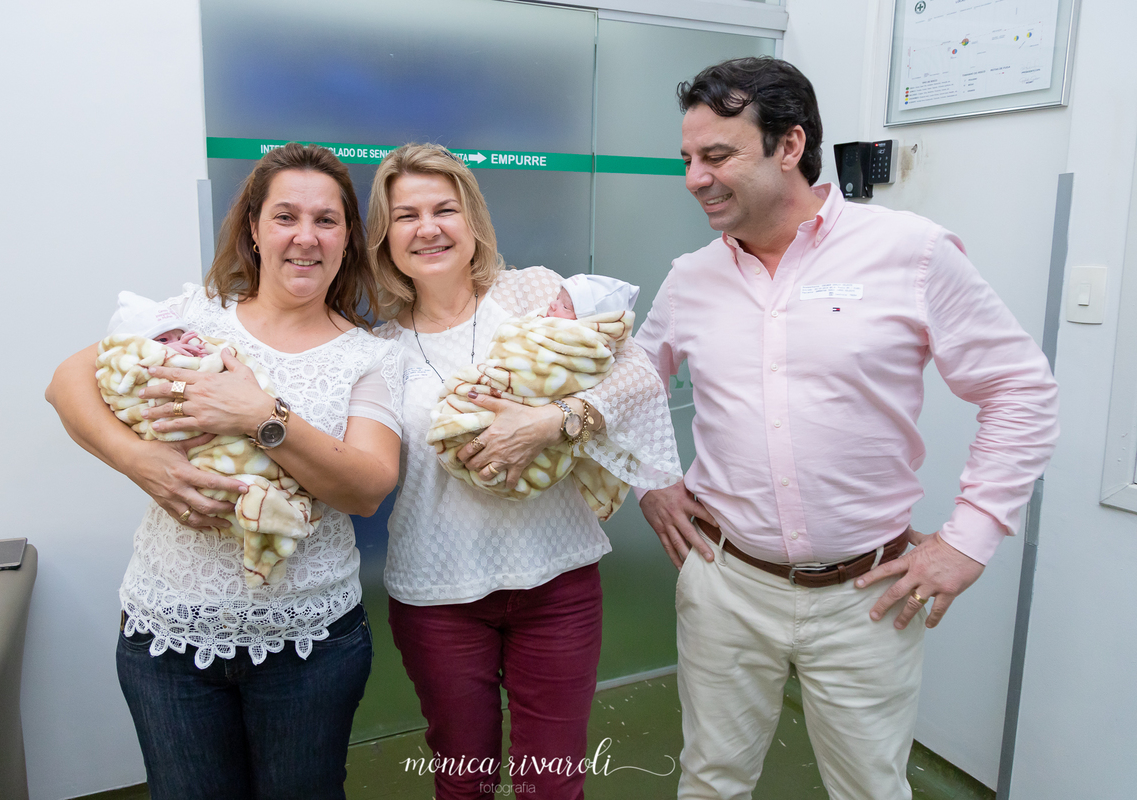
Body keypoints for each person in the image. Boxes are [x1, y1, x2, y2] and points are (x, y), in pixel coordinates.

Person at [633, 57, 1059, 800]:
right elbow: (632, 387)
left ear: (790, 145)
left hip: (868, 595)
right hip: (726, 584)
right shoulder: (691, 277)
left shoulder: (911, 251)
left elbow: (1019, 388)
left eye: (718, 156)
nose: (696, 178)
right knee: (711, 781)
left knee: (870, 788)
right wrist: (652, 480)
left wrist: (969, 538)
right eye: (688, 159)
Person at [45, 142, 402, 800]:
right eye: (285, 216)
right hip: (167, 642)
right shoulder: (192, 316)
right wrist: (140, 461)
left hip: (310, 646)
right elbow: (68, 381)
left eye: (326, 220)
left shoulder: (370, 355)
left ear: (348, 238)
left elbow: (368, 487)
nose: (305, 236)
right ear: (254, 229)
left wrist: (261, 414)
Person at [367, 143, 681, 800]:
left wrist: (552, 421)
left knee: (553, 784)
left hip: (557, 585)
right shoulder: (376, 349)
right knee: (463, 782)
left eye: (444, 209)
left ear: (472, 220)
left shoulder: (534, 292)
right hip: (438, 596)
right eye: (406, 216)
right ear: (384, 237)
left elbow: (639, 377)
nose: (428, 228)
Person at [97, 291, 317, 587]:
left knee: (250, 477)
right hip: (167, 585)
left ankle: (273, 517)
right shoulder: (189, 305)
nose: (177, 343)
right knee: (225, 489)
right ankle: (267, 527)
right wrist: (133, 456)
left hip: (319, 596)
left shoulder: (370, 349)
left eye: (180, 335)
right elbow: (69, 384)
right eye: (162, 340)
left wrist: (255, 412)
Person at [426, 273, 640, 519]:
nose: (552, 304)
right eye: (557, 299)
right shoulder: (389, 336)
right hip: (435, 526)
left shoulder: (532, 283)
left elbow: (638, 388)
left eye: (565, 306)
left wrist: (553, 422)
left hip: (559, 528)